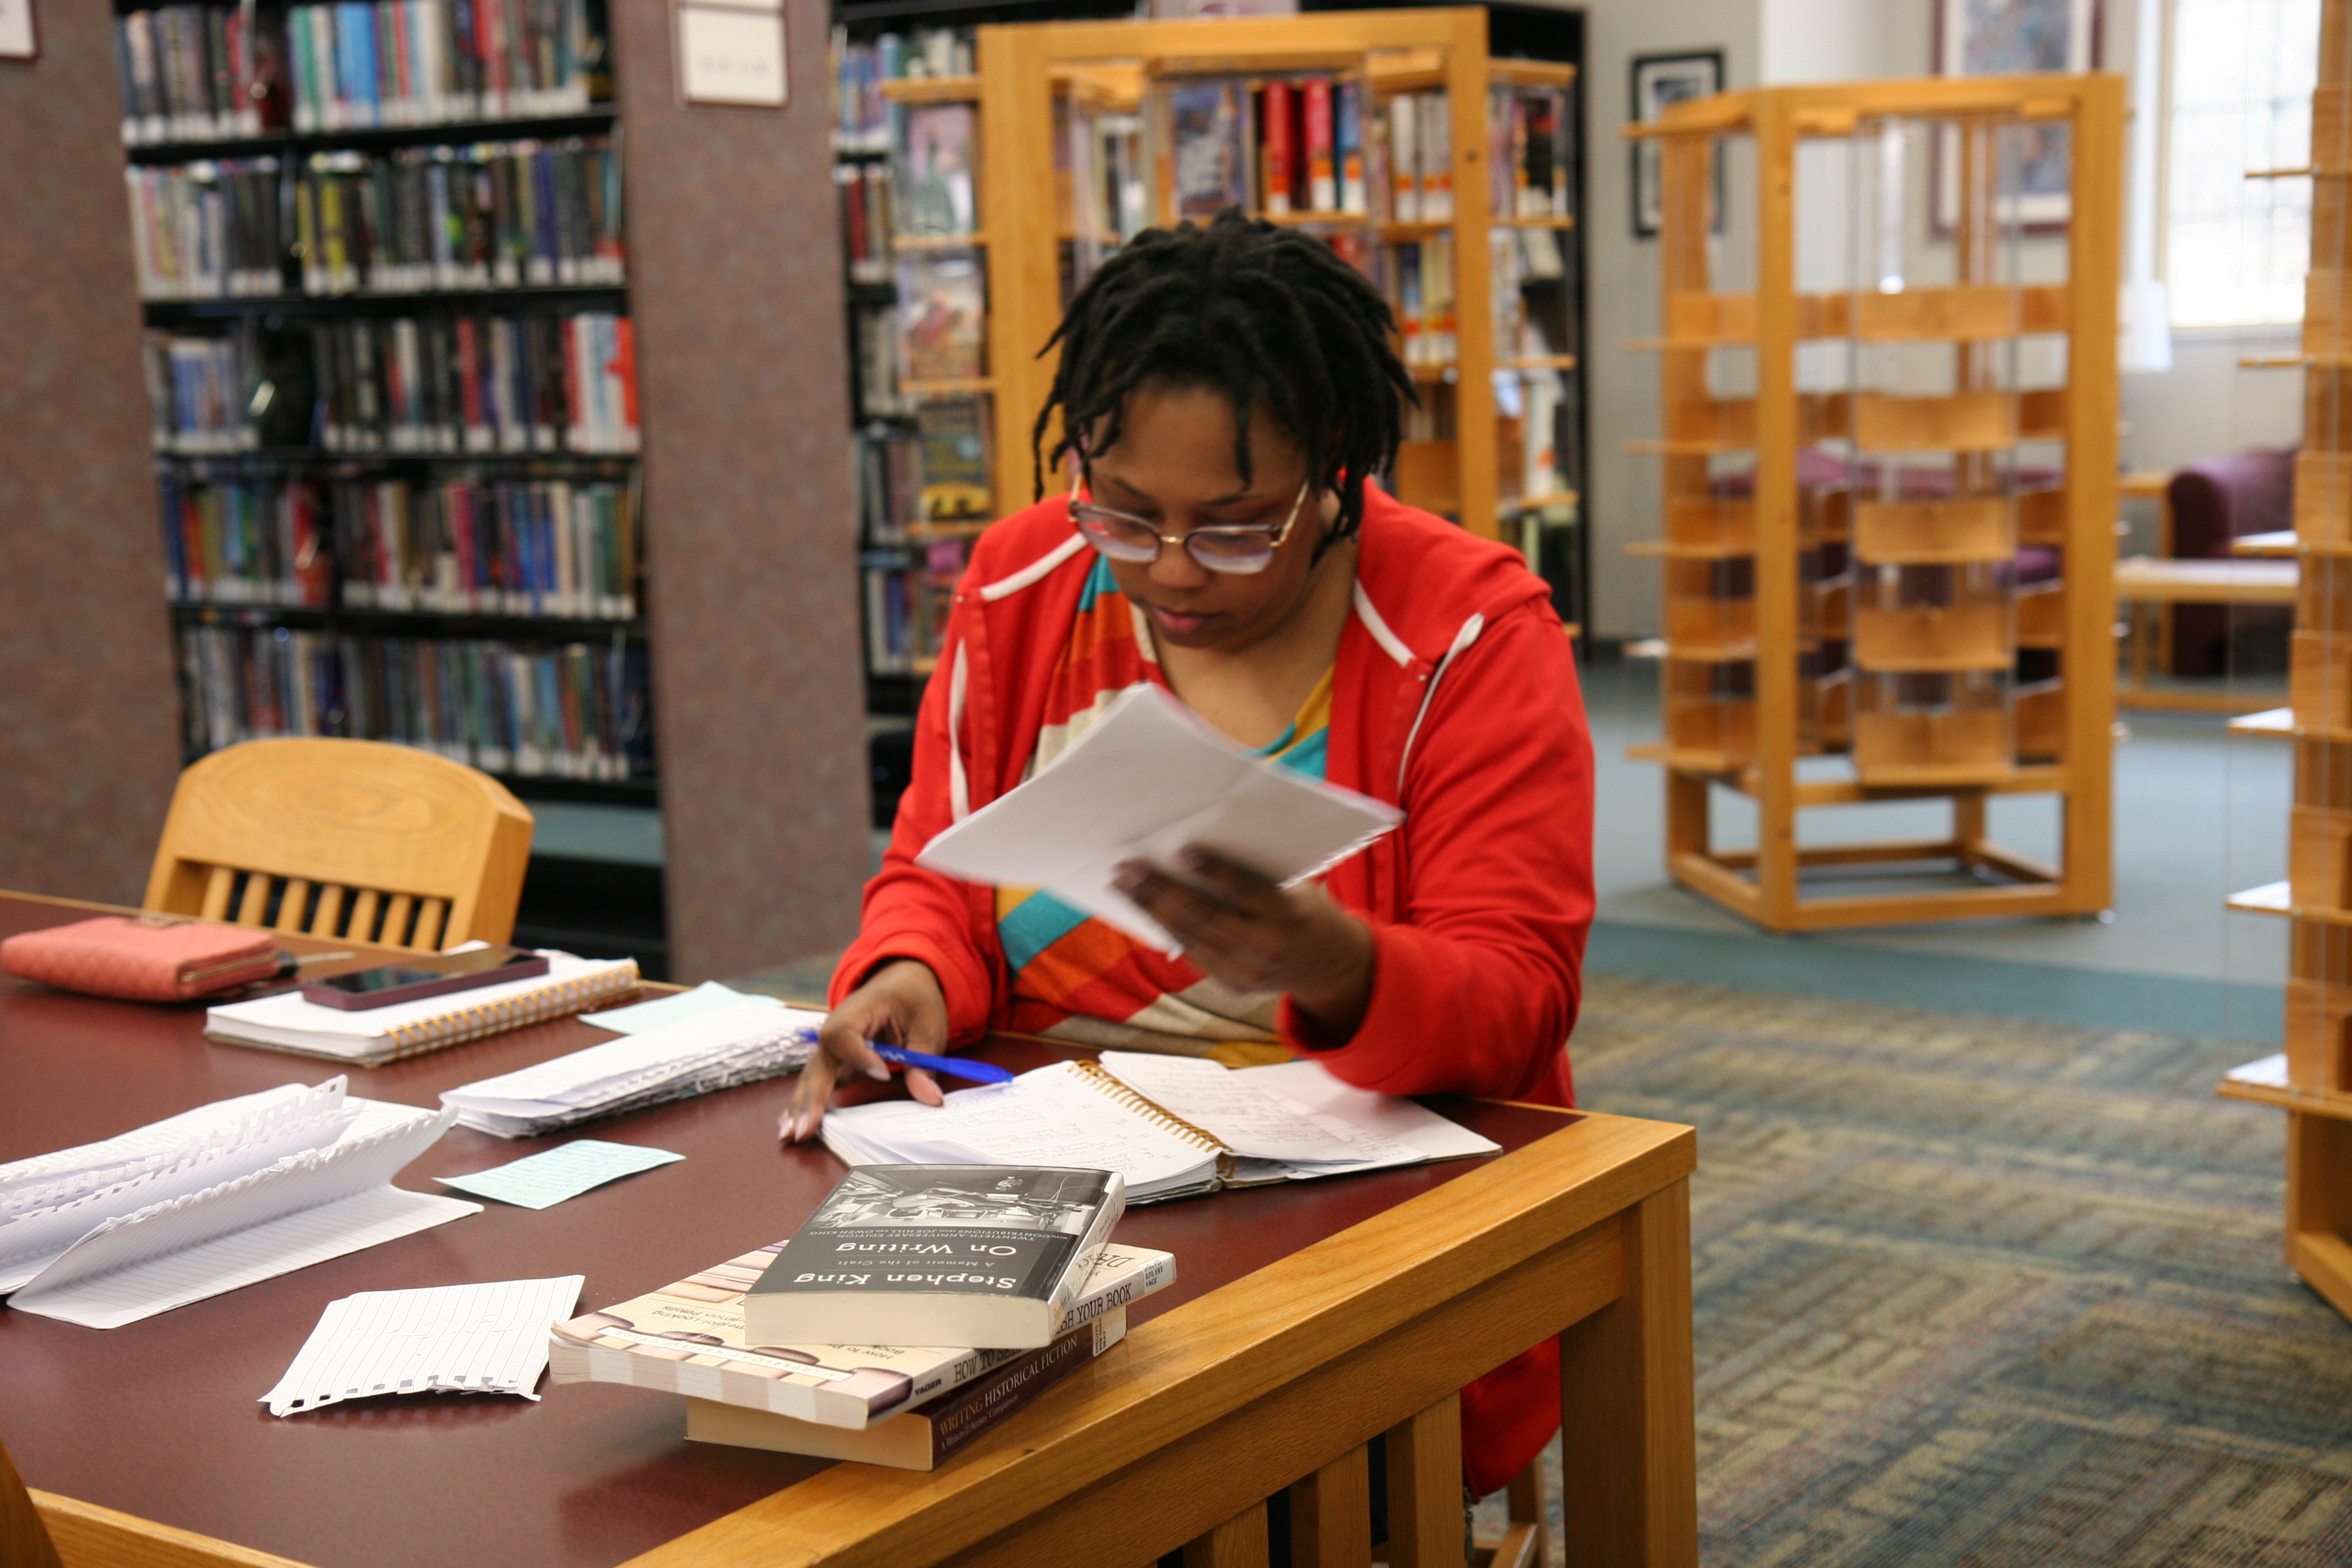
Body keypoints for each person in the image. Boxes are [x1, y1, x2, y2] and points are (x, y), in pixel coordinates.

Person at [782, 211, 1595, 1498]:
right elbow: (940, 871)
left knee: (1124, 1482)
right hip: (1037, 1180)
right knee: (840, 1441)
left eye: (1234, 526)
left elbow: (1519, 1003)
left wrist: (1340, 968)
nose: (1169, 572)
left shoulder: (1470, 633)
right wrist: (909, 978)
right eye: (1125, 517)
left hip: (1347, 1219)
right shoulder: (1022, 582)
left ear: (1337, 467)